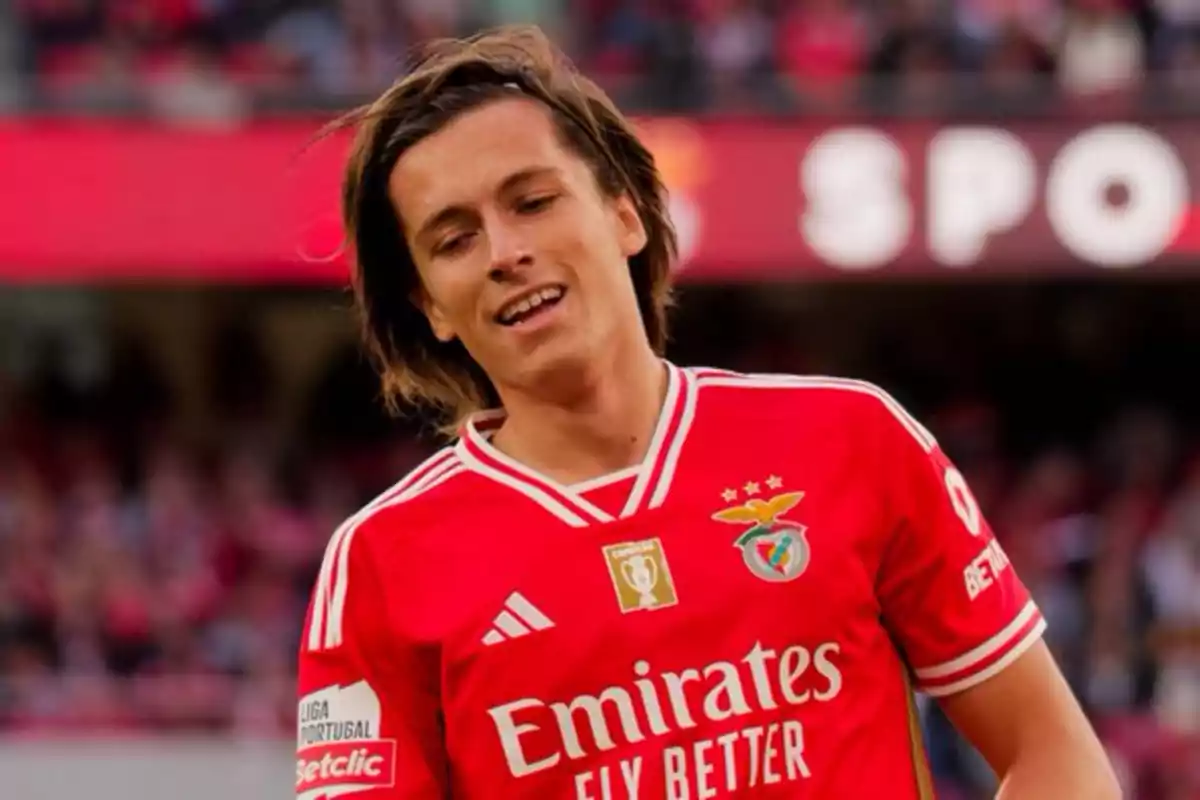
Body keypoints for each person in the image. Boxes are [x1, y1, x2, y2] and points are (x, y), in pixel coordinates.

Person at [295, 25, 1120, 800]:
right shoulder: (379, 564)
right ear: (430, 305)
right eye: (453, 239)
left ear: (624, 212)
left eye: (534, 201)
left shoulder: (853, 440)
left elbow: (1051, 752)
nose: (506, 252)